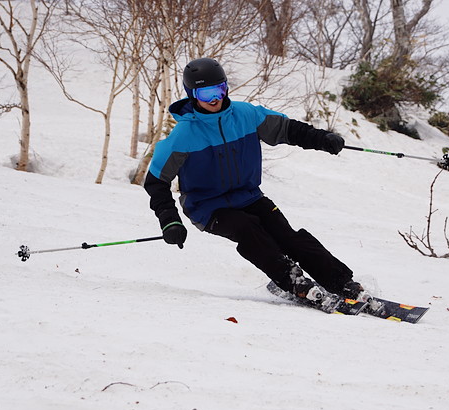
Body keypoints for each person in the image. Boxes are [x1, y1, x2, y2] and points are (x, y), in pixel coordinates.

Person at [144, 57, 367, 304]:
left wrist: (322, 139)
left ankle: (341, 283)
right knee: (248, 230)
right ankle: (294, 281)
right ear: (193, 94)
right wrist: (169, 221)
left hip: (249, 196)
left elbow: (287, 129)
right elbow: (156, 182)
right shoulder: (183, 136)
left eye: (219, 90)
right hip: (207, 206)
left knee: (287, 236)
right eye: (206, 94)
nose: (215, 99)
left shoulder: (246, 115)